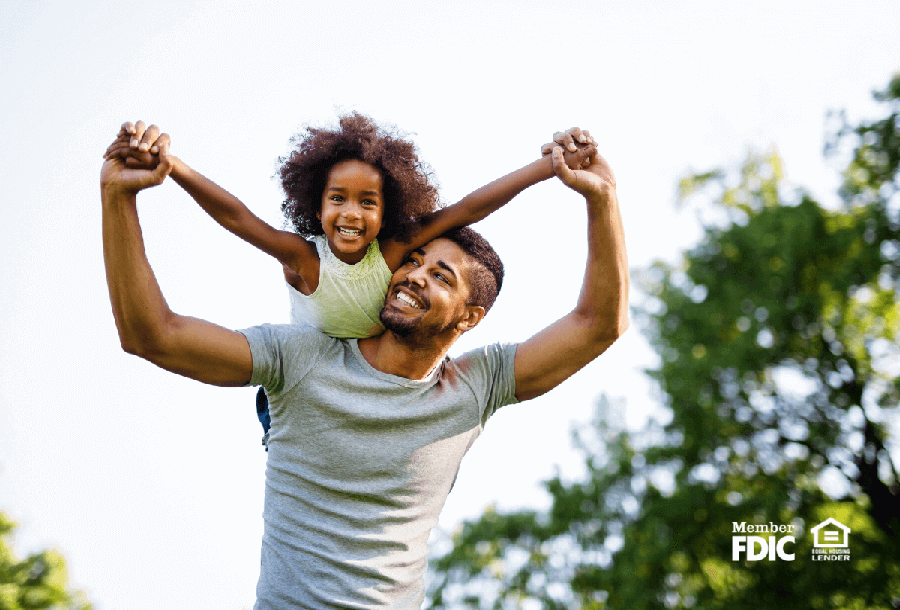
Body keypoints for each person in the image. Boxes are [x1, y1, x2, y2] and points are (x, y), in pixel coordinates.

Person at [100, 121, 628, 609]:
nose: (415, 276)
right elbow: (153, 335)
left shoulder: (474, 387)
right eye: (414, 262)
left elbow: (599, 323)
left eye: (442, 277)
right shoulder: (300, 358)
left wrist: (602, 199)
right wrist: (118, 197)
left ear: (471, 317)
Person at [105, 115, 597, 447]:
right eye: (337, 198)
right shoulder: (305, 260)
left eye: (368, 202)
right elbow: (239, 218)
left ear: (389, 213)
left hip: (371, 382)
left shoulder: (396, 253)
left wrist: (546, 168)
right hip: (303, 388)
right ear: (316, 206)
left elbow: (469, 207)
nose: (351, 213)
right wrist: (176, 170)